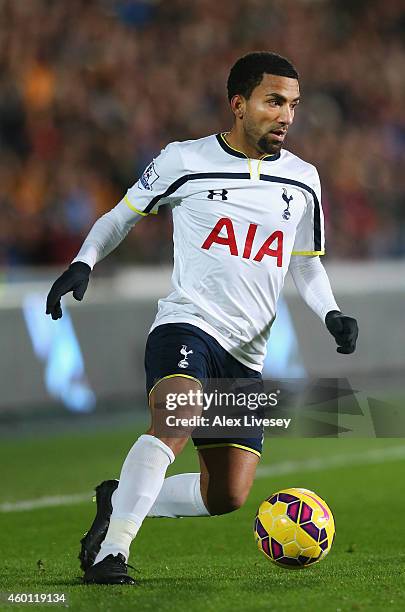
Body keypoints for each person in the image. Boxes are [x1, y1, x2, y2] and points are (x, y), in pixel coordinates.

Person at [46, 52, 358, 585]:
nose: (286, 115)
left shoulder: (304, 180)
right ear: (239, 104)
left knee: (228, 495)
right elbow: (120, 216)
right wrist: (83, 261)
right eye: (274, 102)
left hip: (247, 353)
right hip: (188, 324)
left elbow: (306, 265)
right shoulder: (184, 160)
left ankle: (119, 497)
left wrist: (331, 313)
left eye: (293, 105)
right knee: (174, 419)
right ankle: (111, 553)